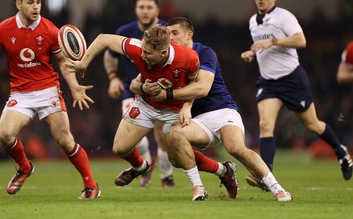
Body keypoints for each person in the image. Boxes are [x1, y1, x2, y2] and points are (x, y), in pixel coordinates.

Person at [0, 0, 100, 199]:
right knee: (5, 136)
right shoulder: (3, 29)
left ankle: (91, 185)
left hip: (48, 90)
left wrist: (73, 86)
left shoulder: (50, 29)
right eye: (30, 2)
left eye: (38, 2)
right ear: (18, 4)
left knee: (65, 140)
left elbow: (63, 62)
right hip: (21, 93)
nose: (36, 7)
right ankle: (24, 167)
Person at [68, 25, 237, 201]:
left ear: (163, 53)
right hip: (146, 105)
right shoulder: (139, 47)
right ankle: (141, 167)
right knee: (119, 148)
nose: (142, 55)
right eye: (143, 50)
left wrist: (187, 107)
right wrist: (83, 63)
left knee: (176, 159)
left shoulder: (188, 57)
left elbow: (194, 84)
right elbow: (103, 38)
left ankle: (220, 172)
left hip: (174, 110)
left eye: (148, 53)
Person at [132, 17, 291, 201]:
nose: (171, 37)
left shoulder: (204, 53)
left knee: (235, 147)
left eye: (175, 33)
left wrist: (170, 97)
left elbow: (202, 88)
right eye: (169, 33)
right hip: (197, 121)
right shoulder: (164, 57)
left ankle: (278, 189)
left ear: (189, 34)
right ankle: (221, 172)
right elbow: (137, 83)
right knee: (175, 156)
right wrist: (143, 88)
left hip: (221, 110)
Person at [240, 0, 352, 190]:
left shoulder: (284, 16)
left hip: (292, 79)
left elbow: (301, 41)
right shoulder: (253, 21)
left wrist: (272, 42)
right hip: (268, 82)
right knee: (265, 125)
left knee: (313, 125)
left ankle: (341, 152)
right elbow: (263, 47)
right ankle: (267, 176)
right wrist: (252, 52)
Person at [103, 0, 174, 187]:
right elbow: (110, 56)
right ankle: (145, 168)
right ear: (136, 10)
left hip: (160, 90)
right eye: (141, 7)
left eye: (149, 7)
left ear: (157, 10)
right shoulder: (126, 31)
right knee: (135, 139)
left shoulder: (168, 31)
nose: (145, 11)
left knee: (163, 137)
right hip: (131, 90)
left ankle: (166, 176)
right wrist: (113, 78)